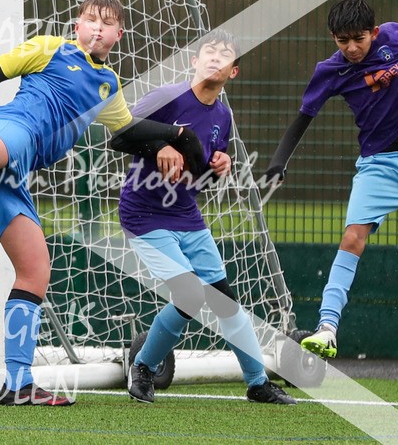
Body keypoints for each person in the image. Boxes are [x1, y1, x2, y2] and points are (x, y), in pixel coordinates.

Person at [0, 0, 204, 406]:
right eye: (91, 20)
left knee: (35, 271)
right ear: (77, 26)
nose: (98, 28)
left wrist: (172, 138)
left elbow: (125, 132)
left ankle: (17, 383)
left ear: (118, 36)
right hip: (10, 128)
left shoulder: (109, 84)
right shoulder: (52, 47)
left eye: (107, 24)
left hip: (15, 171)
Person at [114, 29, 296, 405]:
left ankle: (257, 382)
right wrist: (162, 143)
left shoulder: (223, 116)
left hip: (188, 217)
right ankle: (144, 368)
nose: (215, 57)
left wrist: (221, 164)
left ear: (233, 73)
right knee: (189, 294)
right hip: (144, 216)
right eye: (208, 51)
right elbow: (119, 135)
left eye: (225, 54)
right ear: (194, 62)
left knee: (224, 299)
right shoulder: (167, 97)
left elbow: (201, 173)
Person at [264, 0, 398, 360]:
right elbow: (303, 118)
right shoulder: (330, 71)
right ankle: (327, 328)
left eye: (359, 39)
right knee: (352, 238)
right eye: (342, 40)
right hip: (379, 165)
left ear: (374, 32)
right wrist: (278, 162)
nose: (351, 48)